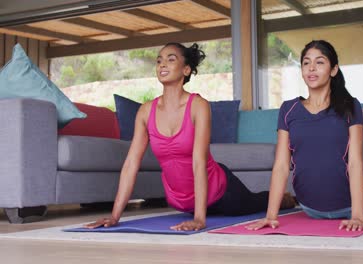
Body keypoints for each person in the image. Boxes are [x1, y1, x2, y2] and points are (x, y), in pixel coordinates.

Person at [85, 42, 295, 231]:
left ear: (186, 70)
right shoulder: (146, 111)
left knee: (255, 203)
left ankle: (285, 199)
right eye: (159, 61)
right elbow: (131, 163)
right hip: (183, 201)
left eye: (170, 59)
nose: (162, 64)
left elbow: (199, 161)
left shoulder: (198, 106)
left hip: (221, 191)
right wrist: (114, 216)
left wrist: (199, 219)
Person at [247, 40, 363, 232]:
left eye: (320, 62)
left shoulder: (350, 106)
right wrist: (271, 216)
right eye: (306, 62)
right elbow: (280, 165)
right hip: (310, 208)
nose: (311, 67)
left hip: (349, 205)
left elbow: (355, 161)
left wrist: (357, 215)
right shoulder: (289, 109)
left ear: (334, 70)